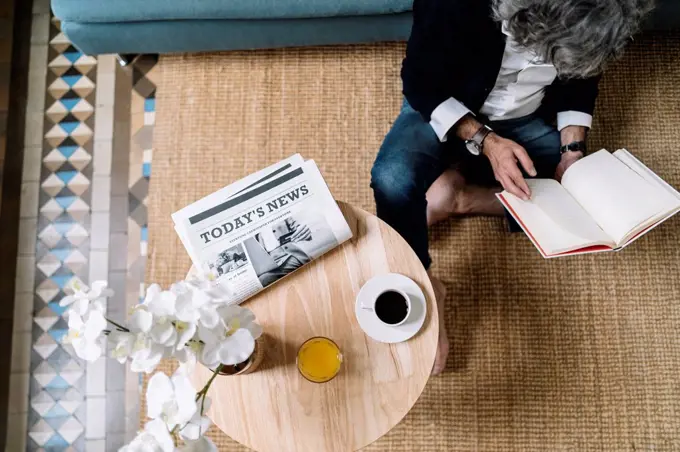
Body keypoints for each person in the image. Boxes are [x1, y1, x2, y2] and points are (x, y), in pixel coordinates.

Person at [371, 0, 654, 375]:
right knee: (392, 179)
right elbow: (420, 82)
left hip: (525, 118)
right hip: (449, 106)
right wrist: (487, 142)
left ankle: (459, 198)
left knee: (581, 196)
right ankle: (423, 284)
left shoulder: (595, 16)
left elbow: (582, 76)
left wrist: (572, 151)